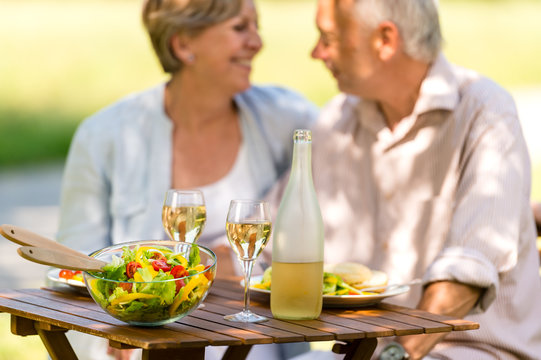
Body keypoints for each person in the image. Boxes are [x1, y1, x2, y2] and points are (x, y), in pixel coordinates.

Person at [56, 0, 317, 359]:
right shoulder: (106, 135)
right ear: (183, 45)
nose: (257, 43)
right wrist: (109, 343)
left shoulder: (287, 118)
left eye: (256, 27)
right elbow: (71, 269)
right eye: (240, 28)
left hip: (253, 347)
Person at [307, 0, 541, 358]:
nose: (316, 52)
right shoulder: (336, 121)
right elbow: (275, 248)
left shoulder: (485, 112)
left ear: (385, 40)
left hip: (471, 350)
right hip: (371, 350)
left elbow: (466, 276)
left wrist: (395, 353)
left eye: (329, 38)